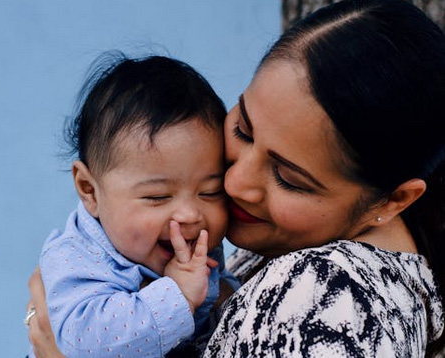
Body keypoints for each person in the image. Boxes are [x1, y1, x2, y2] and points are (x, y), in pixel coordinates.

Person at [26, 0, 445, 356]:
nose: (233, 183)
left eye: (287, 176)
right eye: (243, 129)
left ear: (393, 200)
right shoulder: (282, 245)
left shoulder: (334, 303)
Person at [25, 54, 239, 358]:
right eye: (158, 197)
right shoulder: (76, 259)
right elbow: (86, 344)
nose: (191, 214)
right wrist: (177, 295)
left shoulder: (185, 246)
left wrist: (226, 298)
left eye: (210, 192)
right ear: (89, 191)